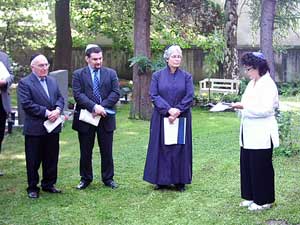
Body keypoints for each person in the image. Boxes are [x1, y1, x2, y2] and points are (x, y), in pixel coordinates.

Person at [231, 52, 279, 211]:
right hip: (248, 131)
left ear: (259, 67)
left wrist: (244, 107)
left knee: (260, 166)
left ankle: (264, 200)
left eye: (249, 69)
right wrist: (238, 106)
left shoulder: (268, 84)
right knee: (247, 164)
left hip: (262, 132)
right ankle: (250, 196)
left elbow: (266, 109)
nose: (247, 72)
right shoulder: (252, 83)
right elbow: (245, 103)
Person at [143, 45, 194, 192]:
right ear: (167, 59)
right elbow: (154, 95)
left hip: (181, 116)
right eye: (174, 56)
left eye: (179, 57)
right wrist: (168, 110)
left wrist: (178, 110)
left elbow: (189, 96)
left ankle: (180, 180)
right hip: (161, 116)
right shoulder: (157, 76)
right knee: (162, 147)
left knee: (179, 148)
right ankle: (162, 180)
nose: (177, 59)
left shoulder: (186, 77)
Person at [72, 44, 120, 190]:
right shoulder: (78, 74)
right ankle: (85, 178)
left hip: (105, 118)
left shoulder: (111, 73)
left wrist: (101, 107)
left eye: (100, 58)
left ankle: (108, 178)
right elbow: (78, 94)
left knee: (107, 150)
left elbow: (115, 92)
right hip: (86, 118)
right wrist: (93, 107)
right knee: (85, 151)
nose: (98, 62)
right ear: (87, 59)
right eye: (94, 59)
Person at [18, 54, 64, 198]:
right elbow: (27, 104)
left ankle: (49, 184)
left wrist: (57, 109)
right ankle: (32, 187)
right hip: (35, 128)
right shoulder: (25, 83)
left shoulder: (52, 81)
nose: (45, 68)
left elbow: (60, 98)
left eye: (46, 65)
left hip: (52, 127)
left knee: (51, 157)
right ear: (33, 67)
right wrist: (46, 113)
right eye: (41, 65)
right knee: (33, 159)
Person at [0, 50, 14, 176]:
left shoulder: (3, 56)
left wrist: (5, 82)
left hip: (2, 102)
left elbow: (11, 75)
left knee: (0, 135)